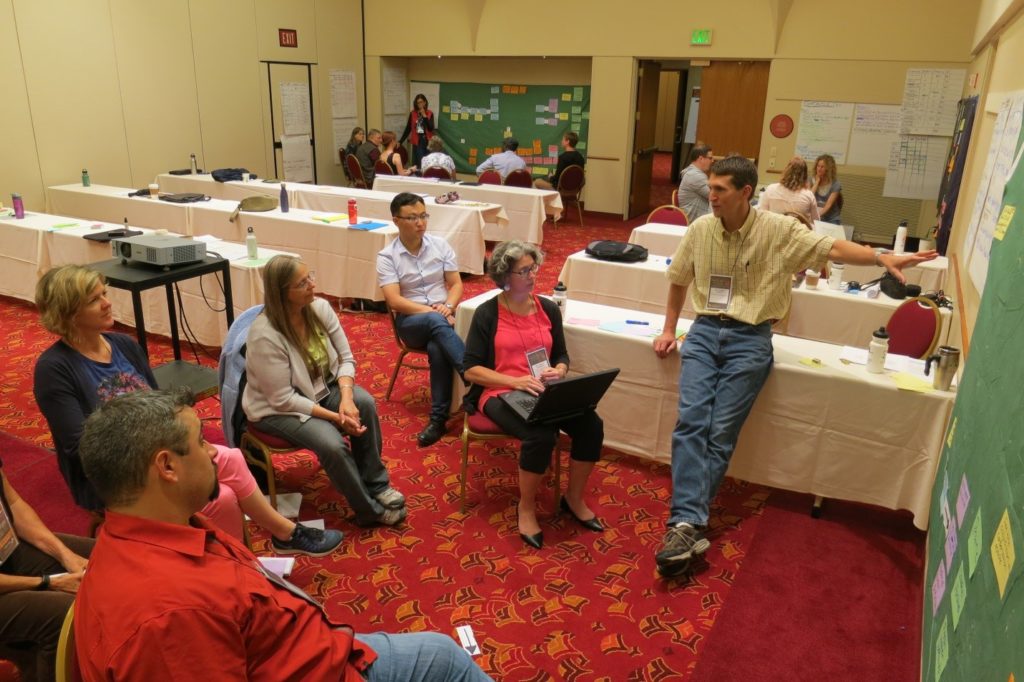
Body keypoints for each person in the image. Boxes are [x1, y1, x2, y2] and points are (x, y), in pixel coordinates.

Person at [75, 389, 492, 681]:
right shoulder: (170, 617)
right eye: (201, 444)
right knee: (444, 660)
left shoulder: (158, 530)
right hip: (314, 666)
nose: (214, 454)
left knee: (435, 651)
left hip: (304, 649)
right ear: (166, 467)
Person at [650, 156, 936, 576]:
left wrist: (880, 258)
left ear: (746, 192)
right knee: (692, 421)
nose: (709, 196)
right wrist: (669, 328)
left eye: (720, 190)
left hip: (750, 340)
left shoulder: (779, 230)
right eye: (709, 188)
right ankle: (687, 523)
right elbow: (679, 278)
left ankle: (685, 522)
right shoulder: (700, 230)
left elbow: (832, 247)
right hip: (706, 332)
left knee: (720, 431)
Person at [31, 265, 341, 556]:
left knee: (231, 459)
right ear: (69, 313)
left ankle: (267, 544)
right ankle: (237, 560)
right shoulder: (55, 368)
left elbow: (160, 406)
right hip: (118, 475)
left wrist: (188, 442)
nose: (107, 303)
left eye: (104, 294)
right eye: (93, 300)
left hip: (163, 451)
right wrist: (169, 449)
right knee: (222, 498)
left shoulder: (122, 345)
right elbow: (79, 446)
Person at [243, 256, 406, 527]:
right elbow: (282, 399)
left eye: (311, 276)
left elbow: (346, 359)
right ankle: (368, 511)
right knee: (331, 442)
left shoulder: (319, 308)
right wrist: (336, 417)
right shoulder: (265, 335)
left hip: (320, 390)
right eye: (303, 282)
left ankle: (376, 484)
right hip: (275, 410)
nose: (313, 284)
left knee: (363, 403)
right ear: (283, 292)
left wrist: (345, 398)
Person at [463, 241, 605, 550]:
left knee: (592, 425)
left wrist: (560, 370)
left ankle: (573, 497)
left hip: (544, 388)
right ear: (504, 276)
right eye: (523, 271)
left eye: (533, 268)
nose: (531, 276)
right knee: (539, 434)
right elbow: (471, 370)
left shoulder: (548, 308)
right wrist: (513, 381)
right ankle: (525, 508)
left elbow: (563, 355)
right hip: (499, 392)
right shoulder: (488, 314)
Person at [378, 193, 465, 447]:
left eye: (424, 215)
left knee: (438, 347)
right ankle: (471, 374)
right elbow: (394, 301)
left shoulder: (440, 245)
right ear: (396, 221)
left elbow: (456, 284)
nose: (420, 222)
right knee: (435, 324)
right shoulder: (387, 256)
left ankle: (438, 419)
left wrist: (448, 306)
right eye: (413, 217)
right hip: (411, 321)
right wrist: (433, 312)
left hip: (443, 316)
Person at [0, 465, 92, 682]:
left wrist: (65, 555)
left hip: (6, 550)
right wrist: (48, 582)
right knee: (62, 615)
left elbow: (13, 504)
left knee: (100, 555)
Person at [757, 158, 820, 223]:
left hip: (773, 231)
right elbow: (816, 222)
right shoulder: (809, 195)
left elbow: (762, 215)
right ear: (805, 176)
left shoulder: (771, 189)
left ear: (786, 171)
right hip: (798, 232)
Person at [677, 144, 714, 221]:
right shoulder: (694, 176)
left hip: (698, 217)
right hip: (694, 222)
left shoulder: (694, 173)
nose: (712, 161)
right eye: (710, 158)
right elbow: (714, 196)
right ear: (701, 159)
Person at [399, 93, 435, 168]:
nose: (420, 104)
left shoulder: (430, 113)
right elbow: (408, 128)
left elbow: (430, 128)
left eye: (421, 102)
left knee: (429, 162)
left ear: (425, 102)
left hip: (428, 141)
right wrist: (400, 141)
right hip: (418, 141)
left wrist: (424, 115)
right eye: (418, 102)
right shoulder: (413, 113)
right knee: (420, 163)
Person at [812, 154, 843, 224]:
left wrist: (816, 216)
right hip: (815, 217)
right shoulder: (811, 181)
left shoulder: (835, 184)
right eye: (818, 166)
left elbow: (828, 205)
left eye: (822, 167)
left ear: (828, 169)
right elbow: (809, 197)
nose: (819, 169)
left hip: (831, 219)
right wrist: (817, 182)